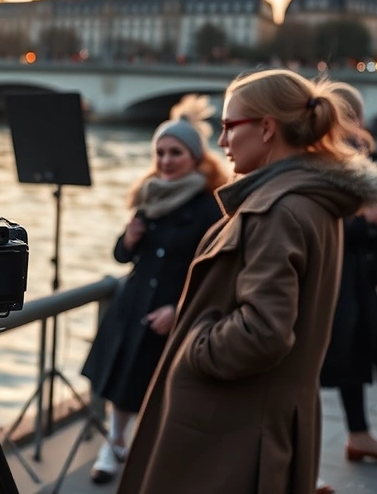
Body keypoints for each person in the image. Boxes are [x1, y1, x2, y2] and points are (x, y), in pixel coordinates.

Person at [115, 68, 377, 494]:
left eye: (229, 126)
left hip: (232, 434)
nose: (222, 140)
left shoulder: (277, 210)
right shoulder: (309, 200)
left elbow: (264, 331)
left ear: (267, 128)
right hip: (258, 423)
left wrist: (196, 345)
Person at [81, 95, 227, 484]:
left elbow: (214, 272)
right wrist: (129, 239)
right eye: (159, 153)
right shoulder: (148, 198)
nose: (164, 161)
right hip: (134, 306)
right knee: (122, 382)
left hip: (172, 313)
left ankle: (155, 455)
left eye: (175, 152)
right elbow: (121, 257)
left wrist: (180, 310)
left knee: (163, 390)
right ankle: (113, 444)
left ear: (196, 157)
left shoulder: (211, 208)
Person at [316, 84, 377, 494]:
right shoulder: (315, 161)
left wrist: (375, 222)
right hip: (327, 278)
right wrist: (365, 219)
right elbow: (314, 224)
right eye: (347, 115)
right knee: (312, 368)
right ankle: (303, 459)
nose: (355, 124)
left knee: (354, 355)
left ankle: (359, 436)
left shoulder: (357, 156)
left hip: (355, 275)